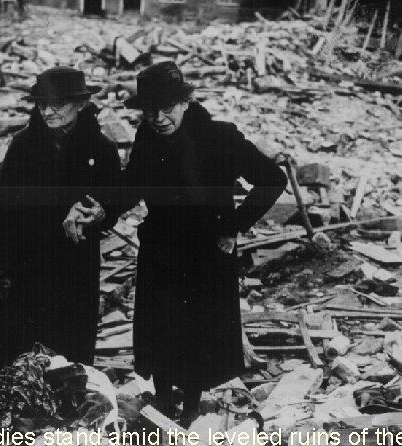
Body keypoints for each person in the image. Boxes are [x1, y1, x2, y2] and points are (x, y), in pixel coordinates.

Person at [121, 61, 287, 425]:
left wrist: (234, 224)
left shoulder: (220, 137)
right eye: (151, 111)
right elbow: (130, 186)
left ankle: (192, 406)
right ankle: (164, 399)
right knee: (160, 324)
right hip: (161, 247)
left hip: (206, 251)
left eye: (166, 109)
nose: (159, 118)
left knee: (197, 327)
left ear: (185, 103)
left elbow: (273, 179)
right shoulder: (146, 137)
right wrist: (100, 211)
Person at [0, 66, 121, 372]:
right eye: (42, 104)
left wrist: (100, 213)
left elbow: (112, 205)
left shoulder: (102, 149)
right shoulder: (23, 145)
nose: (48, 112)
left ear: (81, 104)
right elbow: (2, 205)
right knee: (16, 347)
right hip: (26, 260)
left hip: (75, 263)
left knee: (68, 349)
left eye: (57, 104)